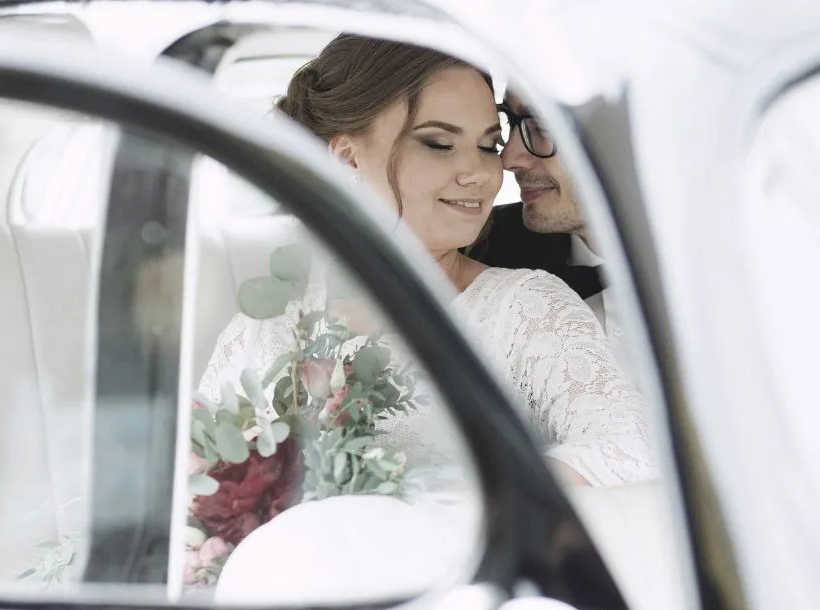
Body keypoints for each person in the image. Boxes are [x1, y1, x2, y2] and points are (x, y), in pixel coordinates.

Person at [199, 34, 655, 488]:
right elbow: (203, 478)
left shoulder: (527, 307)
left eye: (487, 146)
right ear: (345, 159)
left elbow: (629, 451)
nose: (480, 172)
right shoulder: (276, 319)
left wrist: (432, 509)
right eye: (438, 143)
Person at [471, 92, 636, 382]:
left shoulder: (735, 261)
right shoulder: (474, 253)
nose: (509, 158)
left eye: (542, 127)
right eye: (509, 121)